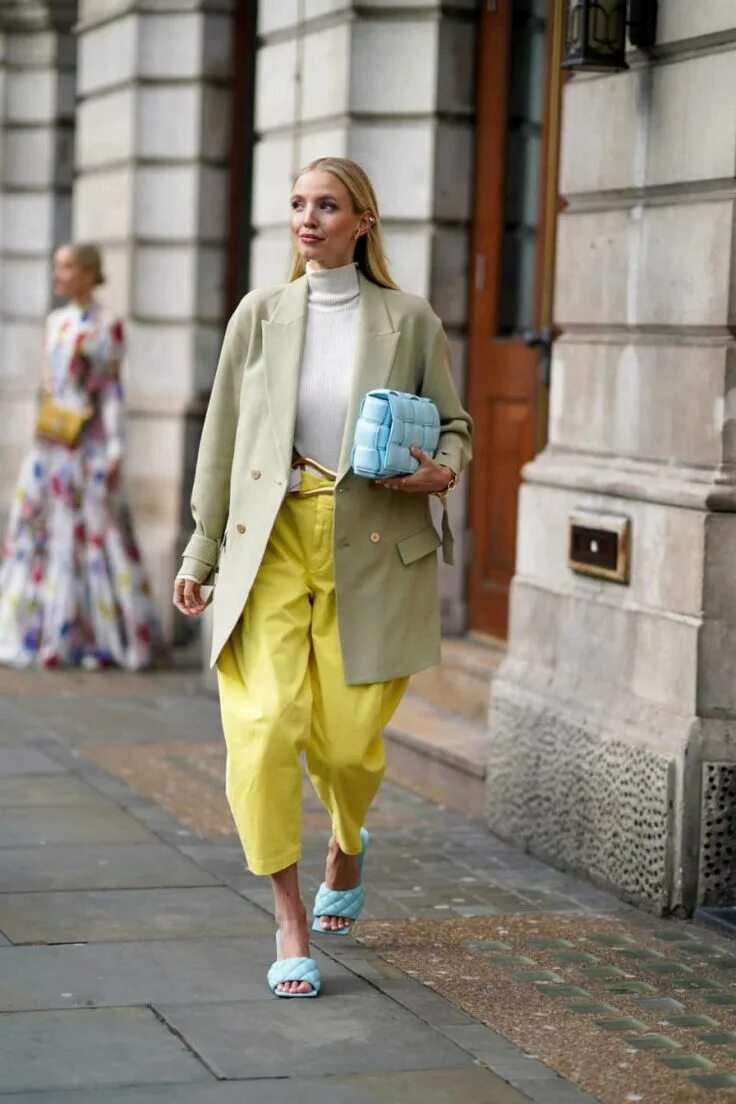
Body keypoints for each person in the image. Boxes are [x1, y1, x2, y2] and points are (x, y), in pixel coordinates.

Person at [173, 157, 472, 998]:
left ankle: (349, 839)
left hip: (372, 541)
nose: (308, 218)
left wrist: (438, 472)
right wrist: (200, 552)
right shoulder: (258, 315)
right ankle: (289, 919)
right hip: (267, 540)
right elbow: (221, 437)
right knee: (265, 726)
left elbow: (455, 425)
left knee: (344, 742)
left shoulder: (408, 320)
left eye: (327, 205)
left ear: (362, 221)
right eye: (299, 204)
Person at [0, 243, 161, 670]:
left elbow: (111, 391)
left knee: (94, 533)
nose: (59, 275)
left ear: (90, 272)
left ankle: (98, 636)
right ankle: (43, 630)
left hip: (87, 445)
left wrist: (114, 449)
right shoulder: (56, 322)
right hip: (51, 442)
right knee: (41, 530)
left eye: (67, 266)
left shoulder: (108, 326)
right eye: (57, 266)